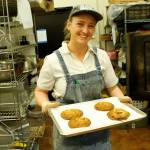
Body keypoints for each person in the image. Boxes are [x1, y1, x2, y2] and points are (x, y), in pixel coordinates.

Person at [34, 4, 132, 150]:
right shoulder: (53, 60)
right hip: (67, 137)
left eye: (91, 26)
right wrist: (45, 104)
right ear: (69, 25)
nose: (85, 31)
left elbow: (112, 87)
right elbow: (40, 91)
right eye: (80, 24)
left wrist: (120, 99)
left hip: (99, 133)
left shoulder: (102, 56)